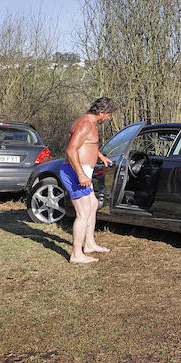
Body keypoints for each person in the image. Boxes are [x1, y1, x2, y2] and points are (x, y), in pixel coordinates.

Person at [60, 97, 114, 263]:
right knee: (83, 213)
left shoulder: (88, 124)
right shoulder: (85, 124)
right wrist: (81, 174)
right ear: (101, 112)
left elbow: (87, 144)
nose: (109, 118)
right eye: (109, 115)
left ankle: (89, 244)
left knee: (92, 204)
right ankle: (76, 254)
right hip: (76, 172)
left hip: (81, 171)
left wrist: (100, 156)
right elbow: (71, 150)